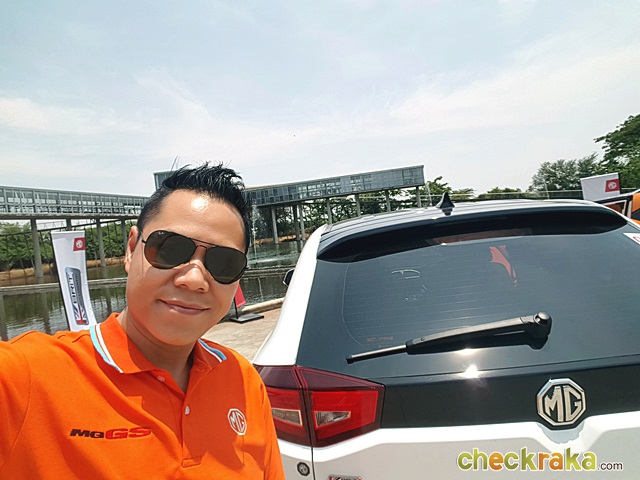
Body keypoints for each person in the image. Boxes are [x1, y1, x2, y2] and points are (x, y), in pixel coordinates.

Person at [0, 163, 285, 479]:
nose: (194, 279)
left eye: (224, 262)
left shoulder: (242, 381)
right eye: (171, 249)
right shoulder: (26, 378)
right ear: (132, 249)